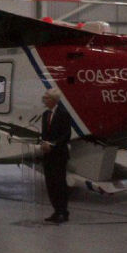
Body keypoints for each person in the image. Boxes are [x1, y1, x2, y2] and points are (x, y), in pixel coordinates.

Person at [40, 88, 72, 224]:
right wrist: (42, 143)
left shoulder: (63, 114)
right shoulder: (45, 115)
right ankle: (55, 210)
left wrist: (52, 145)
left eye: (46, 97)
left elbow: (66, 135)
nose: (44, 99)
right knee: (50, 184)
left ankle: (63, 211)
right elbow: (45, 134)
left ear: (53, 100)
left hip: (59, 155)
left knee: (59, 184)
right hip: (48, 155)